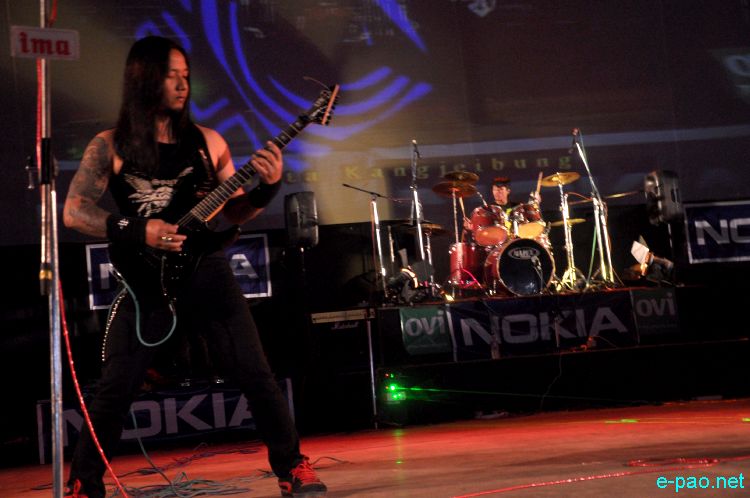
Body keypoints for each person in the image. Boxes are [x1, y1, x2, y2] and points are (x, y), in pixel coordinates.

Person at [62, 36, 326, 498]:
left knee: (256, 373)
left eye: (186, 75)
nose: (183, 85)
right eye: (172, 76)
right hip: (145, 280)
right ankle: (85, 482)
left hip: (206, 273)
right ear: (144, 79)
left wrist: (267, 187)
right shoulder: (110, 145)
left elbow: (235, 211)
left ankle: (292, 467)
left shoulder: (208, 142)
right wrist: (137, 229)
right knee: (116, 387)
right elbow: (74, 211)